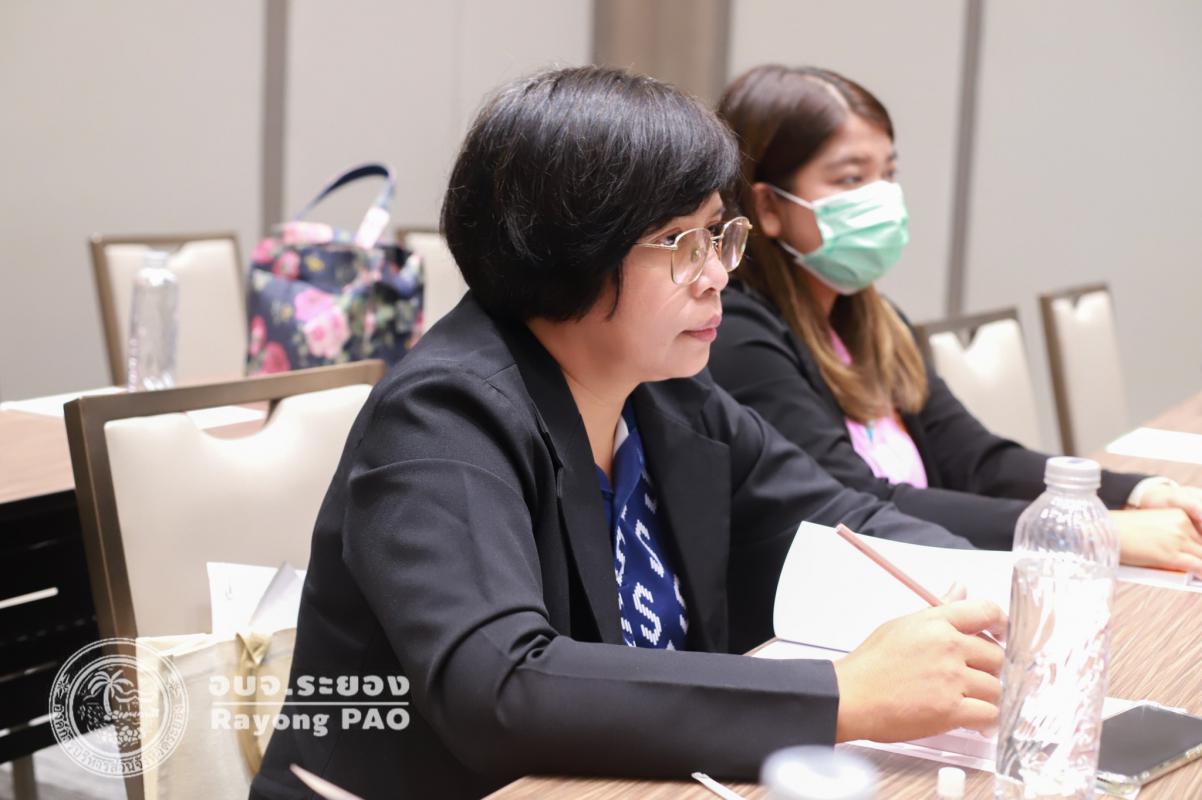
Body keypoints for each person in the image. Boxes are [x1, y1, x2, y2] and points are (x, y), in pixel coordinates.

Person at [250, 67, 1006, 800]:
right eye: (680, 244)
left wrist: (1001, 598)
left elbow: (848, 521)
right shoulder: (443, 414)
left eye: (718, 234)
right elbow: (503, 685)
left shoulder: (668, 391)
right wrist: (842, 694)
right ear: (565, 250)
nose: (716, 275)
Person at [709, 64, 1202, 566]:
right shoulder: (739, 334)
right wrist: (1077, 530)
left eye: (888, 173)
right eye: (852, 178)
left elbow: (976, 461)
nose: (883, 196)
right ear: (768, 207)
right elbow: (856, 506)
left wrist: (1140, 493)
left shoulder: (876, 321)